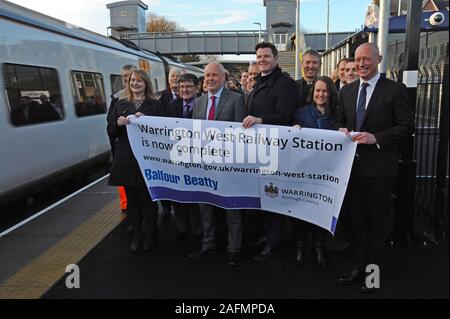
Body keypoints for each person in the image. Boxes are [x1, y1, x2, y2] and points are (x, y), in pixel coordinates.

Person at [336, 43, 415, 293]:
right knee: (356, 222)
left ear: (379, 59)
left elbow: (406, 127)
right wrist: (341, 130)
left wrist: (377, 138)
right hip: (352, 170)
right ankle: (357, 267)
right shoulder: (346, 92)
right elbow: (339, 121)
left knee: (379, 226)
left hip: (380, 170)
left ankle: (373, 275)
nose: (360, 64)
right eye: (357, 60)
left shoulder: (395, 90)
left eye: (366, 59)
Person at [243, 42, 297, 262]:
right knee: (263, 197)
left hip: (275, 150)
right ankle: (267, 237)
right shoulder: (260, 83)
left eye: (266, 56)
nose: (262, 60)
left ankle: (274, 243)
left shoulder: (285, 84)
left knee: (273, 197)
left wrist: (261, 120)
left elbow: (287, 116)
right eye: (259, 57)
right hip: (259, 151)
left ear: (276, 58)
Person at [189, 62, 246, 267]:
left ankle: (234, 248)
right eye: (207, 75)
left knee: (232, 207)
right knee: (205, 206)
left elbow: (241, 135)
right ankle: (208, 243)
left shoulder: (237, 99)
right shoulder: (199, 102)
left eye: (214, 75)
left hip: (228, 165)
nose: (210, 79)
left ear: (223, 77)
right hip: (205, 164)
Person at [107, 70, 165, 253]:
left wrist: (148, 122)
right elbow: (110, 131)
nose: (135, 83)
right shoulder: (120, 103)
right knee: (132, 203)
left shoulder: (155, 105)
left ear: (146, 83)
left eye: (139, 81)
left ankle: (150, 236)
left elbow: (164, 130)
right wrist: (117, 123)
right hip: (126, 159)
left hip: (147, 160)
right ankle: (137, 236)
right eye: (132, 80)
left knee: (148, 202)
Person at [292, 76, 338, 268]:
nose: (321, 94)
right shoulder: (301, 113)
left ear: (330, 93)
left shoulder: (337, 114)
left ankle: (319, 246)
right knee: (301, 211)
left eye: (325, 91)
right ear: (313, 93)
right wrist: (293, 129)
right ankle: (300, 247)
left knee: (322, 210)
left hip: (326, 172)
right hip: (304, 171)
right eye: (318, 90)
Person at [165, 73, 203, 245]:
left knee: (195, 197)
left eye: (188, 86)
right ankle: (182, 228)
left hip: (199, 159)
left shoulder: (203, 104)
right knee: (177, 196)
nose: (184, 90)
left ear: (196, 88)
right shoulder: (171, 106)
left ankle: (197, 230)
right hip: (177, 158)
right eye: (181, 87)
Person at [107, 65, 136, 214]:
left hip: (139, 151)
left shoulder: (146, 99)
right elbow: (110, 125)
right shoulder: (117, 98)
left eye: (129, 76)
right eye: (124, 76)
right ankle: (126, 208)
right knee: (126, 187)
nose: (126, 79)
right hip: (123, 150)